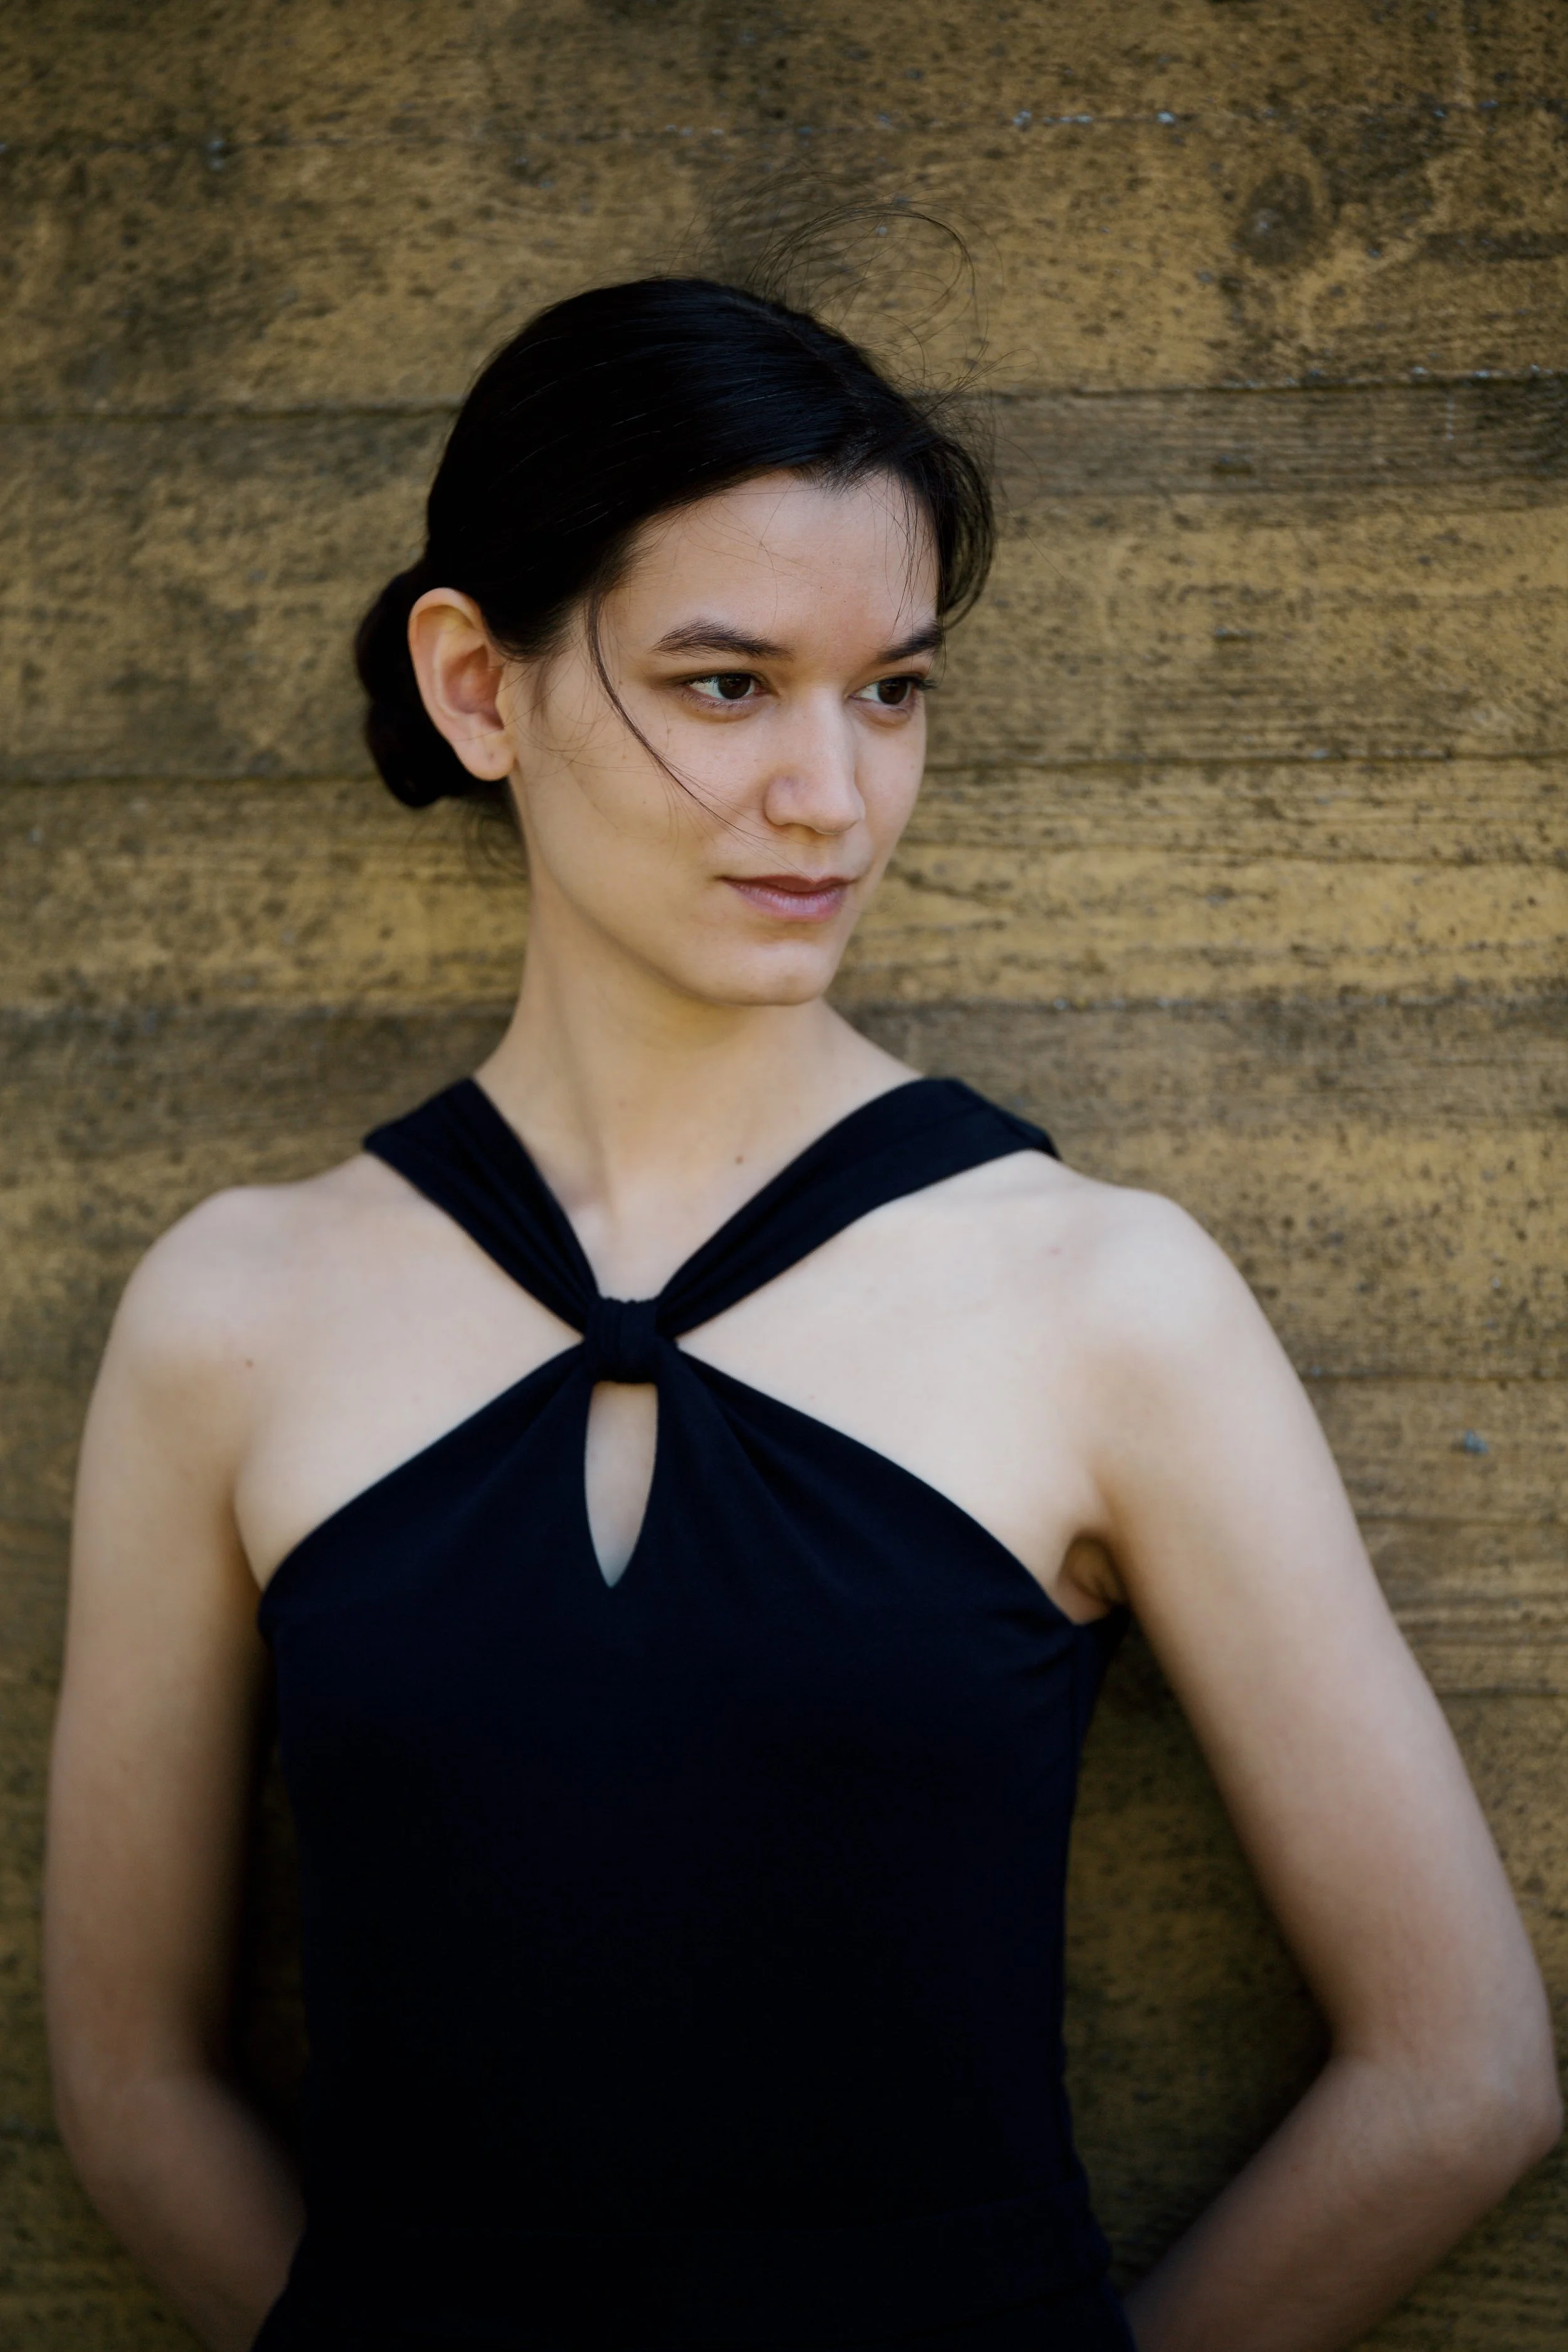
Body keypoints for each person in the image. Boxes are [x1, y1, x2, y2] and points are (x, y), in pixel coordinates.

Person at [45, 273, 1558, 2352]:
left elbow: (1459, 2077)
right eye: (728, 682)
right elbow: (129, 2086)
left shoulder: (1106, 1300)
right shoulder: (228, 1316)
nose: (833, 797)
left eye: (892, 690)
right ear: (479, 686)